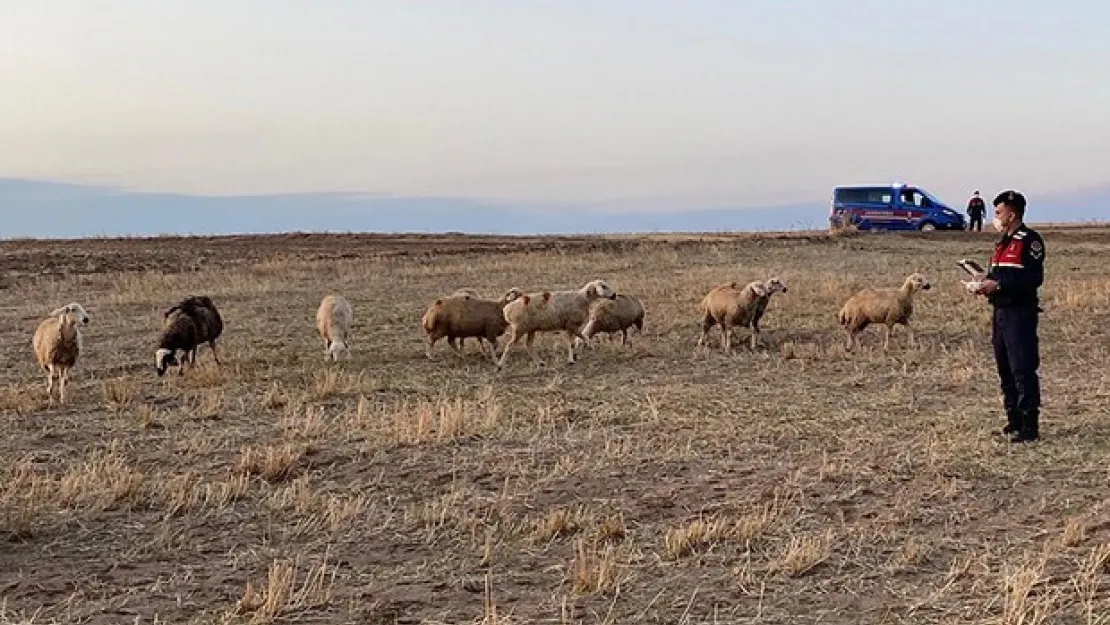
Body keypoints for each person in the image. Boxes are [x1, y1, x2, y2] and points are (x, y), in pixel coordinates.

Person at [973, 190, 1044, 443]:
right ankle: (1012, 419)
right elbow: (1000, 275)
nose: (996, 217)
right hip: (1000, 312)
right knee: (1005, 368)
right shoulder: (1001, 242)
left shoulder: (1030, 241)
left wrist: (999, 285)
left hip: (1020, 314)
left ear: (1011, 214)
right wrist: (984, 283)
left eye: (999, 212)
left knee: (1022, 367)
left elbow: (1033, 278)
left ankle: (1029, 425)